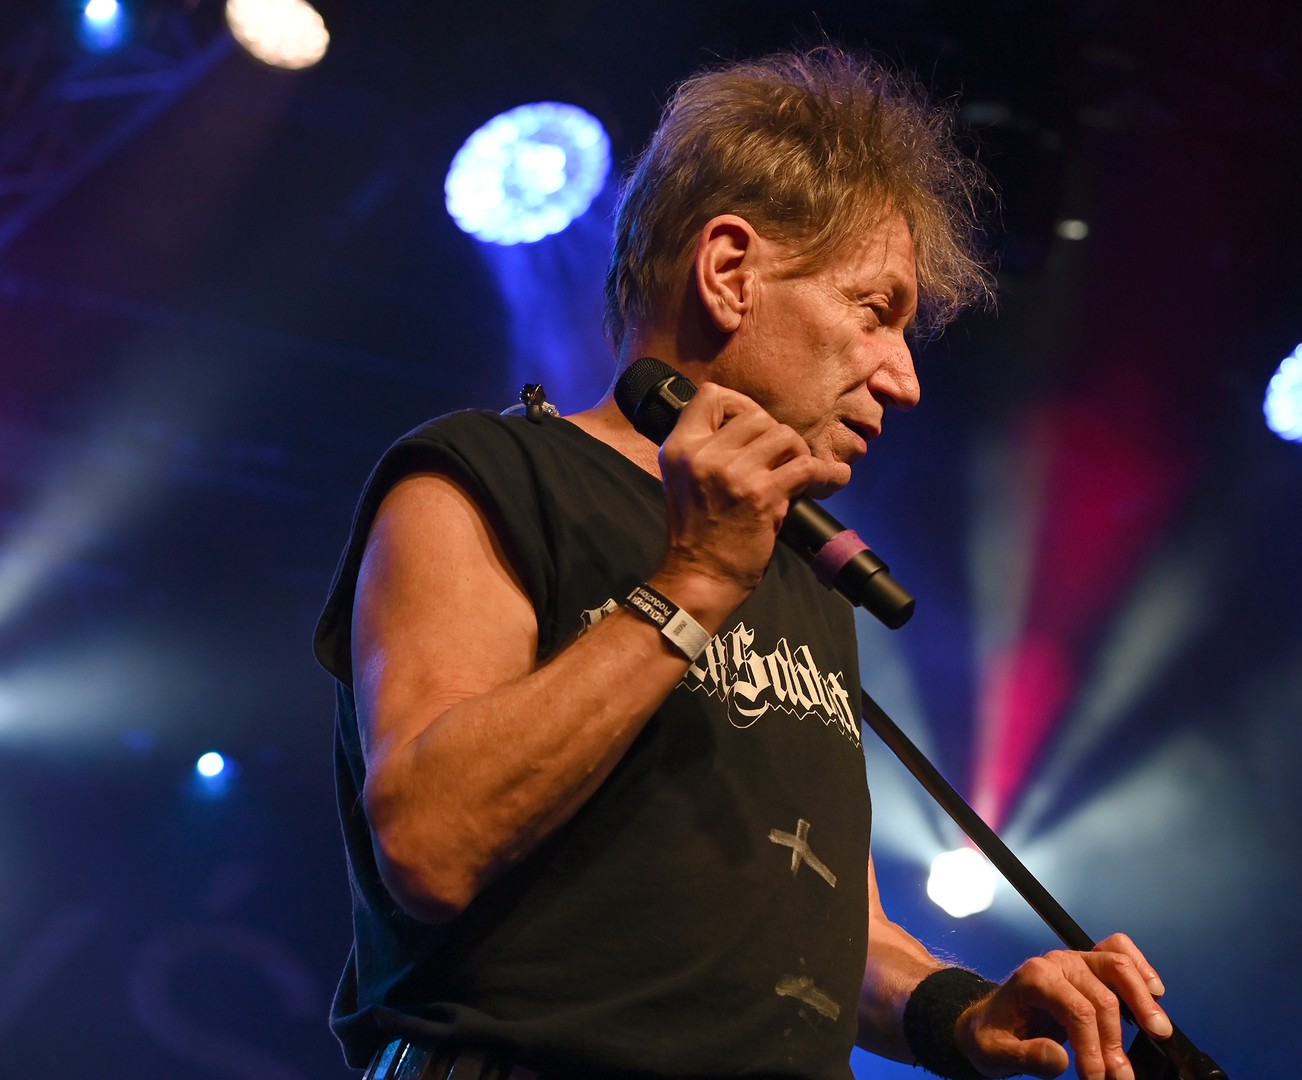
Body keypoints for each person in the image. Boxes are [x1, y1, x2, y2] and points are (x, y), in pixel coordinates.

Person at [314, 46, 1175, 1080]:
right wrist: (693, 584)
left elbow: (830, 931)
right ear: (730, 273)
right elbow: (432, 841)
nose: (903, 378)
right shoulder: (483, 476)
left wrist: (968, 1013)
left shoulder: (793, 570)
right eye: (875, 311)